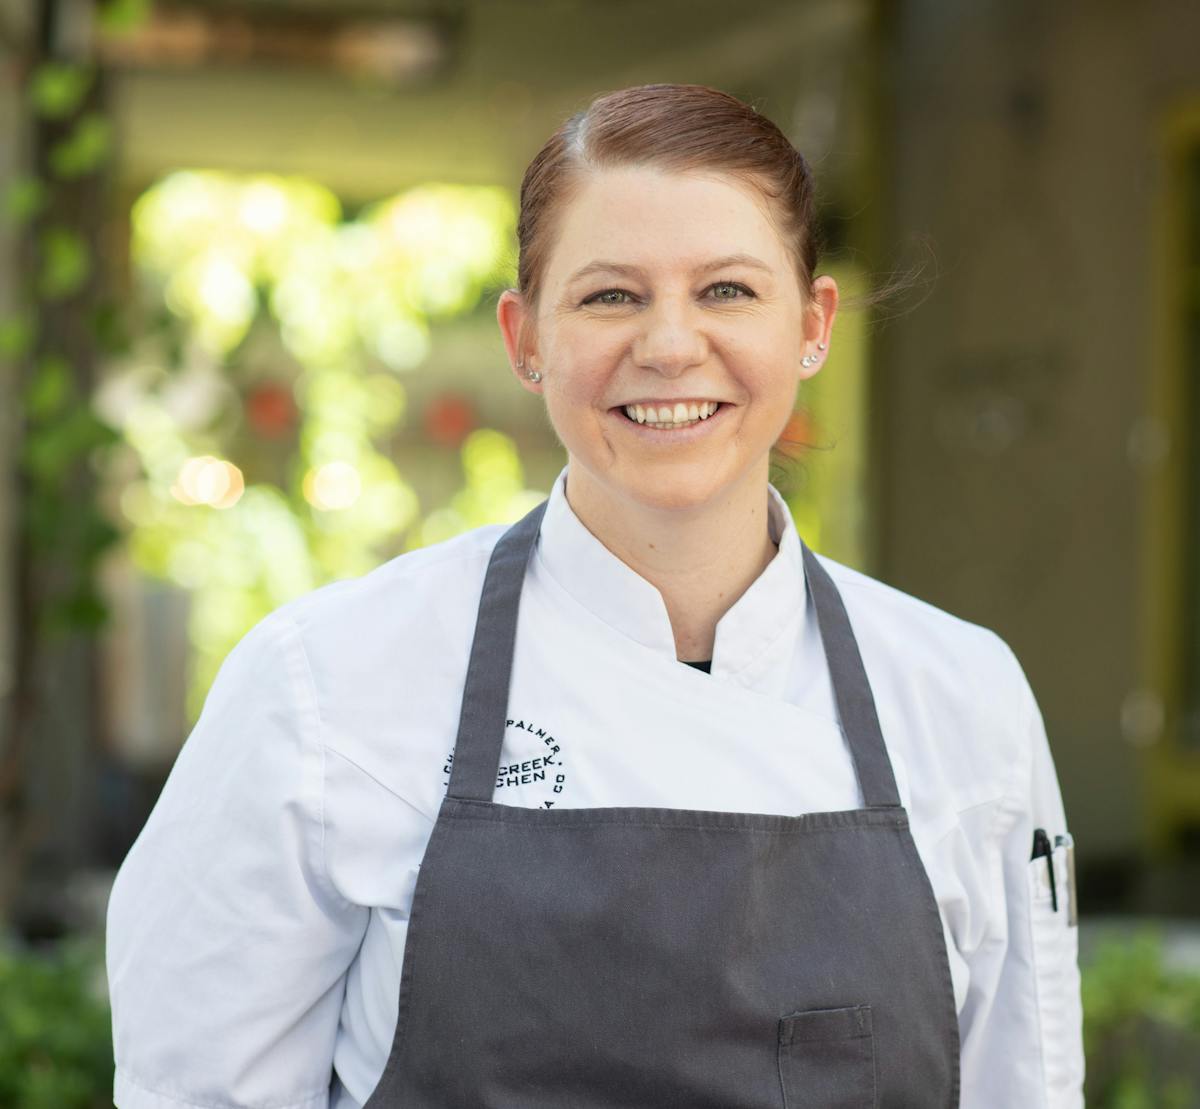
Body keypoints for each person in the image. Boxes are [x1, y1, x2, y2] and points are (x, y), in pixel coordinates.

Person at [106, 83, 1084, 1108]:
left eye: (728, 291)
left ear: (813, 323)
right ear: (525, 337)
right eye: (611, 295)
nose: (668, 345)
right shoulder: (326, 686)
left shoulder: (963, 695)